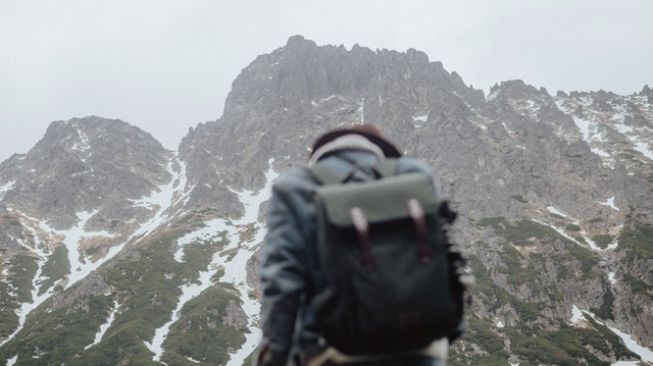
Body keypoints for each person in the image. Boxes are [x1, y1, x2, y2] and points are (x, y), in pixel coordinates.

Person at [256, 125, 454, 366]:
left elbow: (281, 282)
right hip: (419, 348)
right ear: (378, 150)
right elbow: (443, 263)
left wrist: (273, 358)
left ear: (320, 154)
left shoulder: (296, 185)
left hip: (332, 351)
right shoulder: (414, 174)